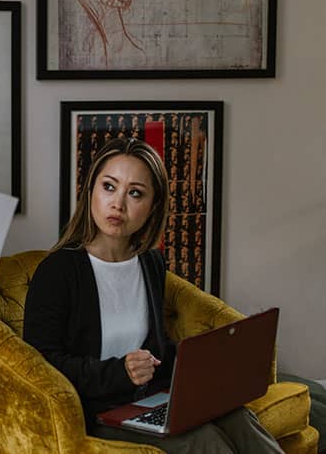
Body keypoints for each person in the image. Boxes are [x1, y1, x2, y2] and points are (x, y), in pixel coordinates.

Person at [23, 137, 283, 453]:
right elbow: (40, 366)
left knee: (239, 419)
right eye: (109, 187)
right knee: (202, 441)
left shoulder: (150, 262)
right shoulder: (57, 271)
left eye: (135, 193)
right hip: (97, 412)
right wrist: (120, 372)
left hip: (151, 398)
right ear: (91, 190)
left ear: (153, 206)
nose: (118, 204)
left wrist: (205, 363)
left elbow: (155, 349)